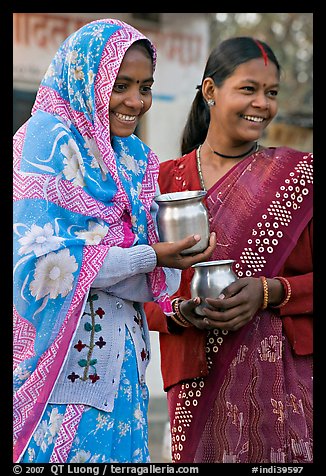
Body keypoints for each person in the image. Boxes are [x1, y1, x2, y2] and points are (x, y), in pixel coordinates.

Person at [13, 18, 216, 464]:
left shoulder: (137, 159)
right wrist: (143, 257)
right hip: (58, 373)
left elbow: (145, 276)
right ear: (88, 79)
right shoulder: (43, 144)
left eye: (145, 87)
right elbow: (37, 268)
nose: (135, 101)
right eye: (120, 85)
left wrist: (163, 257)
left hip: (124, 366)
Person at [145, 36, 313, 463]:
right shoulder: (162, 183)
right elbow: (132, 288)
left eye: (271, 93)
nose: (262, 103)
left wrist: (269, 291)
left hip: (284, 389)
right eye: (248, 89)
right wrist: (181, 312)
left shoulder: (298, 177)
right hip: (195, 385)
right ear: (210, 91)